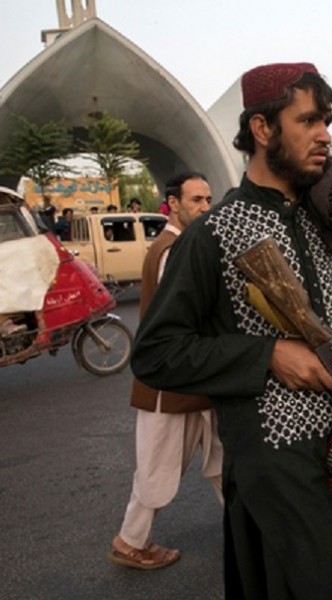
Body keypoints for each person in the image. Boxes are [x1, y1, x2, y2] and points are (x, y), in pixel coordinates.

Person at [130, 62, 332, 599]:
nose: (325, 136)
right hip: (280, 475)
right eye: (309, 121)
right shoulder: (212, 236)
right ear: (263, 129)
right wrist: (267, 355)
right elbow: (156, 354)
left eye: (326, 121)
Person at [107, 171, 220, 570]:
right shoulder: (173, 250)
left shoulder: (182, 244)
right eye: (196, 201)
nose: (205, 208)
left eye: (208, 200)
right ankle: (130, 541)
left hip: (193, 380)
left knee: (226, 460)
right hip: (169, 385)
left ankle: (257, 532)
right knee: (156, 471)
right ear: (173, 203)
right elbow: (185, 317)